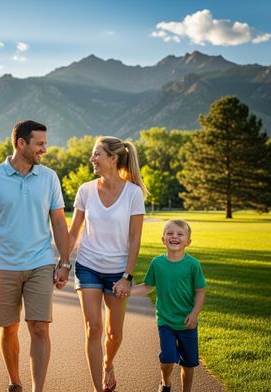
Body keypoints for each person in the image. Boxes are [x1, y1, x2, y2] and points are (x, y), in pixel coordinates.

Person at [0, 120, 70, 392]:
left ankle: (38, 389)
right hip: (3, 266)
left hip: (40, 262)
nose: (44, 149)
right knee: (9, 328)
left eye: (45, 143)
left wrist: (65, 261)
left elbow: (59, 222)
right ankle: (15, 382)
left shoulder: (49, 177)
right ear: (20, 143)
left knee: (39, 327)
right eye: (39, 144)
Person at [68, 136, 147, 392]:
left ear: (112, 158)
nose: (92, 159)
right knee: (94, 328)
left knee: (114, 334)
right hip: (87, 266)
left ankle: (108, 362)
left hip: (117, 272)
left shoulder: (134, 193)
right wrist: (62, 263)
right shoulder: (86, 190)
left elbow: (135, 238)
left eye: (96, 154)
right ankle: (97, 388)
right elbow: (74, 231)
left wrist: (127, 276)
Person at [127, 219, 206, 392]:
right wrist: (127, 290)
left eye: (180, 234)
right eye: (170, 233)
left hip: (187, 321)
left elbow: (201, 290)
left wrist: (194, 313)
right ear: (163, 239)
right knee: (168, 357)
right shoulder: (157, 263)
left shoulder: (193, 265)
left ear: (188, 241)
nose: (174, 237)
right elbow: (148, 286)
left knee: (189, 362)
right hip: (166, 321)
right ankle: (166, 383)